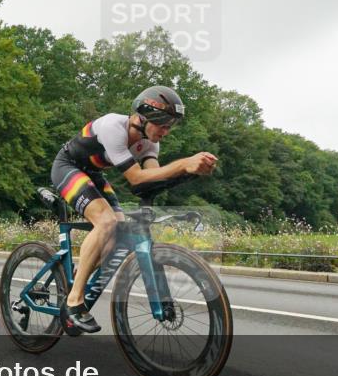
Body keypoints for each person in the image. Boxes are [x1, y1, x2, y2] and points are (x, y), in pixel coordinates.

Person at [50, 85, 218, 334]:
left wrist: (190, 173)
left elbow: (152, 179)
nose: (166, 132)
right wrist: (184, 163)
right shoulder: (113, 127)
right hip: (68, 167)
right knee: (107, 222)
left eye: (170, 126)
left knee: (117, 230)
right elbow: (136, 178)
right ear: (143, 117)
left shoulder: (150, 145)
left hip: (93, 174)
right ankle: (74, 302)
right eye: (162, 125)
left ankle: (79, 272)